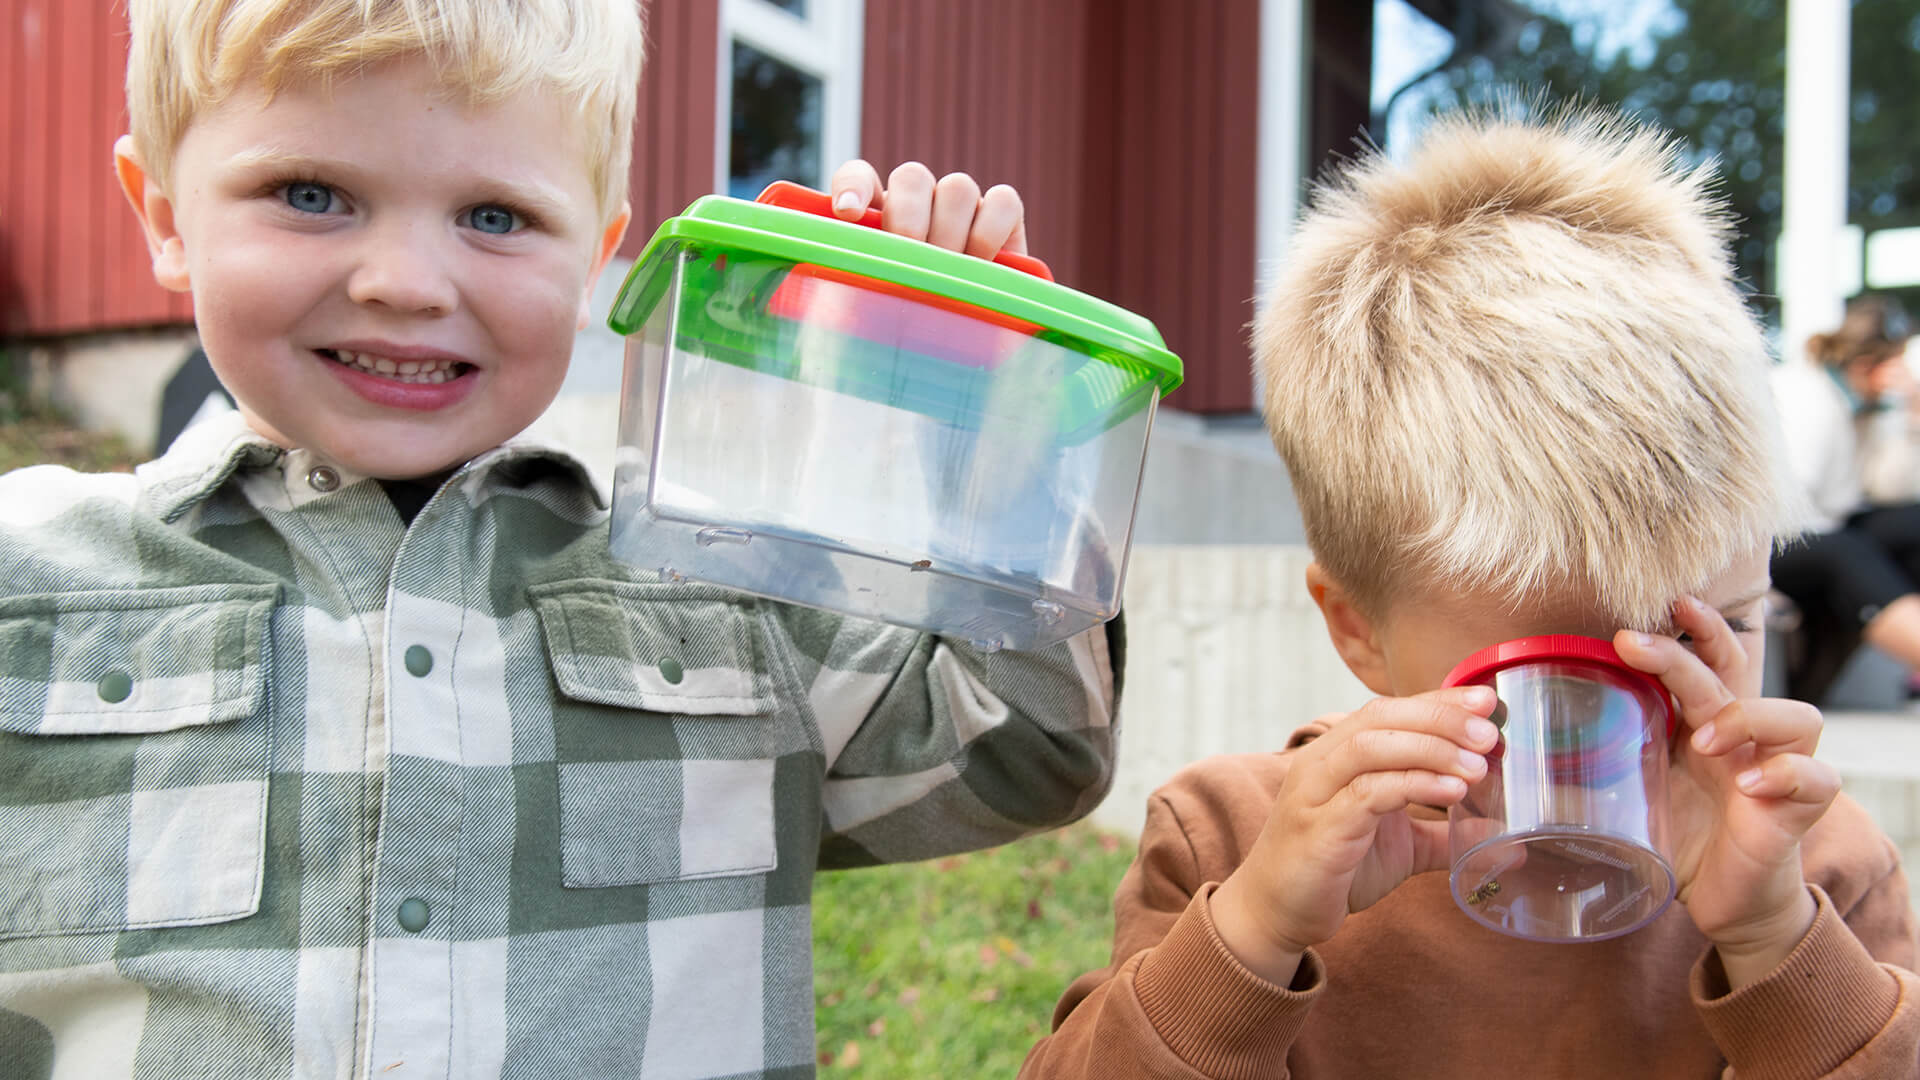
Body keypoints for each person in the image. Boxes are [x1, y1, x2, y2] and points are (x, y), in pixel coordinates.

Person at [0, 2, 1119, 1077]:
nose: (403, 283)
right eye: (311, 193)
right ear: (162, 216)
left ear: (596, 261)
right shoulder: (26, 584)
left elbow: (1025, 752)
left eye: (495, 217)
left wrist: (993, 424)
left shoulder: (723, 589)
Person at [1021, 110, 1919, 1079]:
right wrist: (1254, 934)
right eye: (1554, 687)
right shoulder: (1236, 842)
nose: (1636, 731)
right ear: (1358, 629)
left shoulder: (1816, 865)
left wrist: (1775, 942)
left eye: (1711, 639)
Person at [1769, 295, 1920, 702]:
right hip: (1772, 538)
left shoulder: (1864, 406)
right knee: (1846, 552)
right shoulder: (1806, 397)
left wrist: (1909, 418)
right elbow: (1784, 507)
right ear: (1869, 364)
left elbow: (1890, 489)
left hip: (1827, 526)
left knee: (1912, 524)